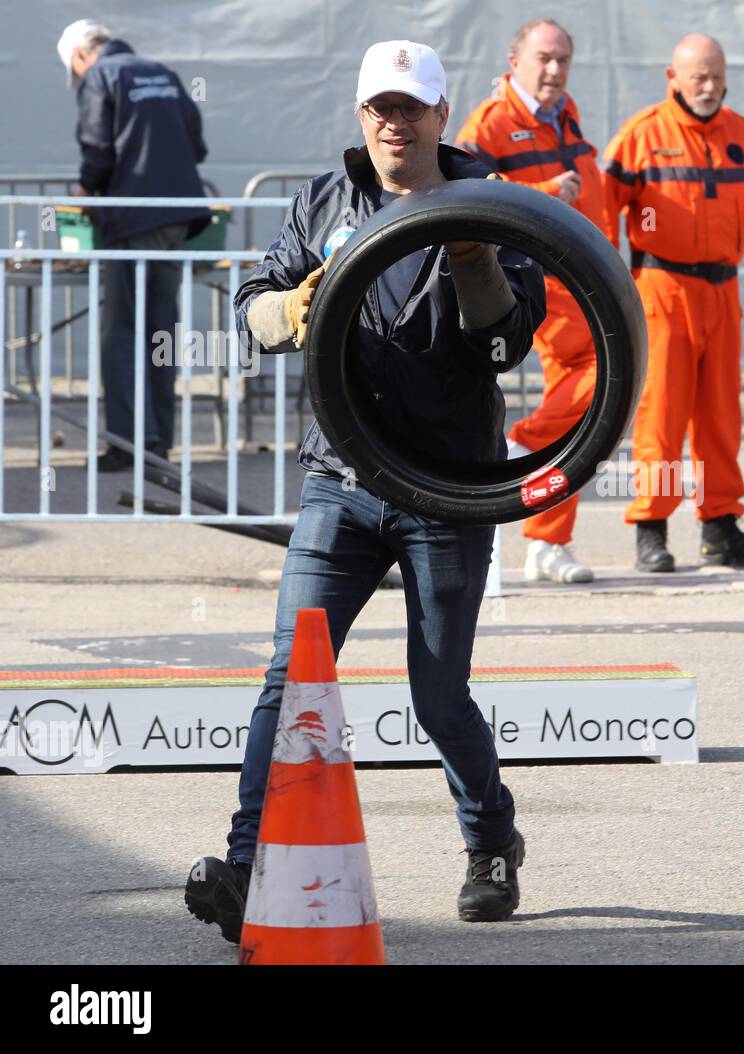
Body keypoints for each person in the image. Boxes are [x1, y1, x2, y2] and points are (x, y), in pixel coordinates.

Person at [184, 40, 545, 942]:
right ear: (361, 117)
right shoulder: (322, 201)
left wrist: (472, 258)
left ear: (440, 116)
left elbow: (508, 344)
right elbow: (253, 308)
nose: (396, 122)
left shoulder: (489, 204)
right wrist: (287, 309)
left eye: (412, 107)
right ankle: (244, 863)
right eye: (381, 107)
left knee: (438, 693)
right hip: (339, 481)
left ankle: (493, 842)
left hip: (446, 488)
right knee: (290, 673)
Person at [602, 34, 744, 573]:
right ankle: (651, 530)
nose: (708, 87)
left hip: (723, 292)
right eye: (698, 77)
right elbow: (601, 209)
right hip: (662, 291)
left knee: (720, 418)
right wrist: (609, 285)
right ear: (673, 77)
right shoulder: (642, 135)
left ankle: (721, 527)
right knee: (660, 414)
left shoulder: (742, 134)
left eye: (716, 76)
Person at [456, 18, 605, 583]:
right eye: (543, 58)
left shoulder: (563, 116)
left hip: (581, 283)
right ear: (513, 61)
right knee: (598, 385)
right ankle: (525, 444)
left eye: (563, 59)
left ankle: (547, 538)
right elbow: (468, 198)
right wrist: (544, 194)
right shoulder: (491, 123)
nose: (554, 69)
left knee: (588, 413)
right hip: (538, 284)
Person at [57, 19, 210, 471]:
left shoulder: (101, 77)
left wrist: (85, 191)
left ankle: (127, 444)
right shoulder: (162, 72)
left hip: (132, 219)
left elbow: (97, 149)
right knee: (160, 330)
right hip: (177, 219)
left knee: (120, 333)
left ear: (82, 56)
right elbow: (196, 146)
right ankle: (159, 444)